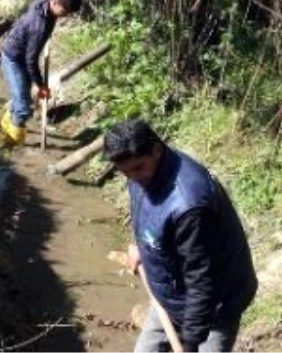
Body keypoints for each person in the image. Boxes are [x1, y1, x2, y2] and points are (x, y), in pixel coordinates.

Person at [103, 119, 258, 353]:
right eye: (124, 172)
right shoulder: (142, 173)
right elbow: (151, 216)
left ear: (156, 149)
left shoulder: (189, 204)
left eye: (137, 168)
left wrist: (190, 342)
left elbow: (201, 281)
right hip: (170, 295)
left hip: (214, 305)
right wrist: (143, 247)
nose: (132, 177)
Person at [0, 0, 83, 147]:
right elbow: (31, 60)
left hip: (23, 54)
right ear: (55, 3)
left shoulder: (44, 0)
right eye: (66, 11)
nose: (66, 15)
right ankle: (11, 144)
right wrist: (41, 85)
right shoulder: (39, 26)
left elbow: (30, 57)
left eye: (70, 12)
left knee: (21, 99)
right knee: (23, 107)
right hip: (14, 59)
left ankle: (5, 132)